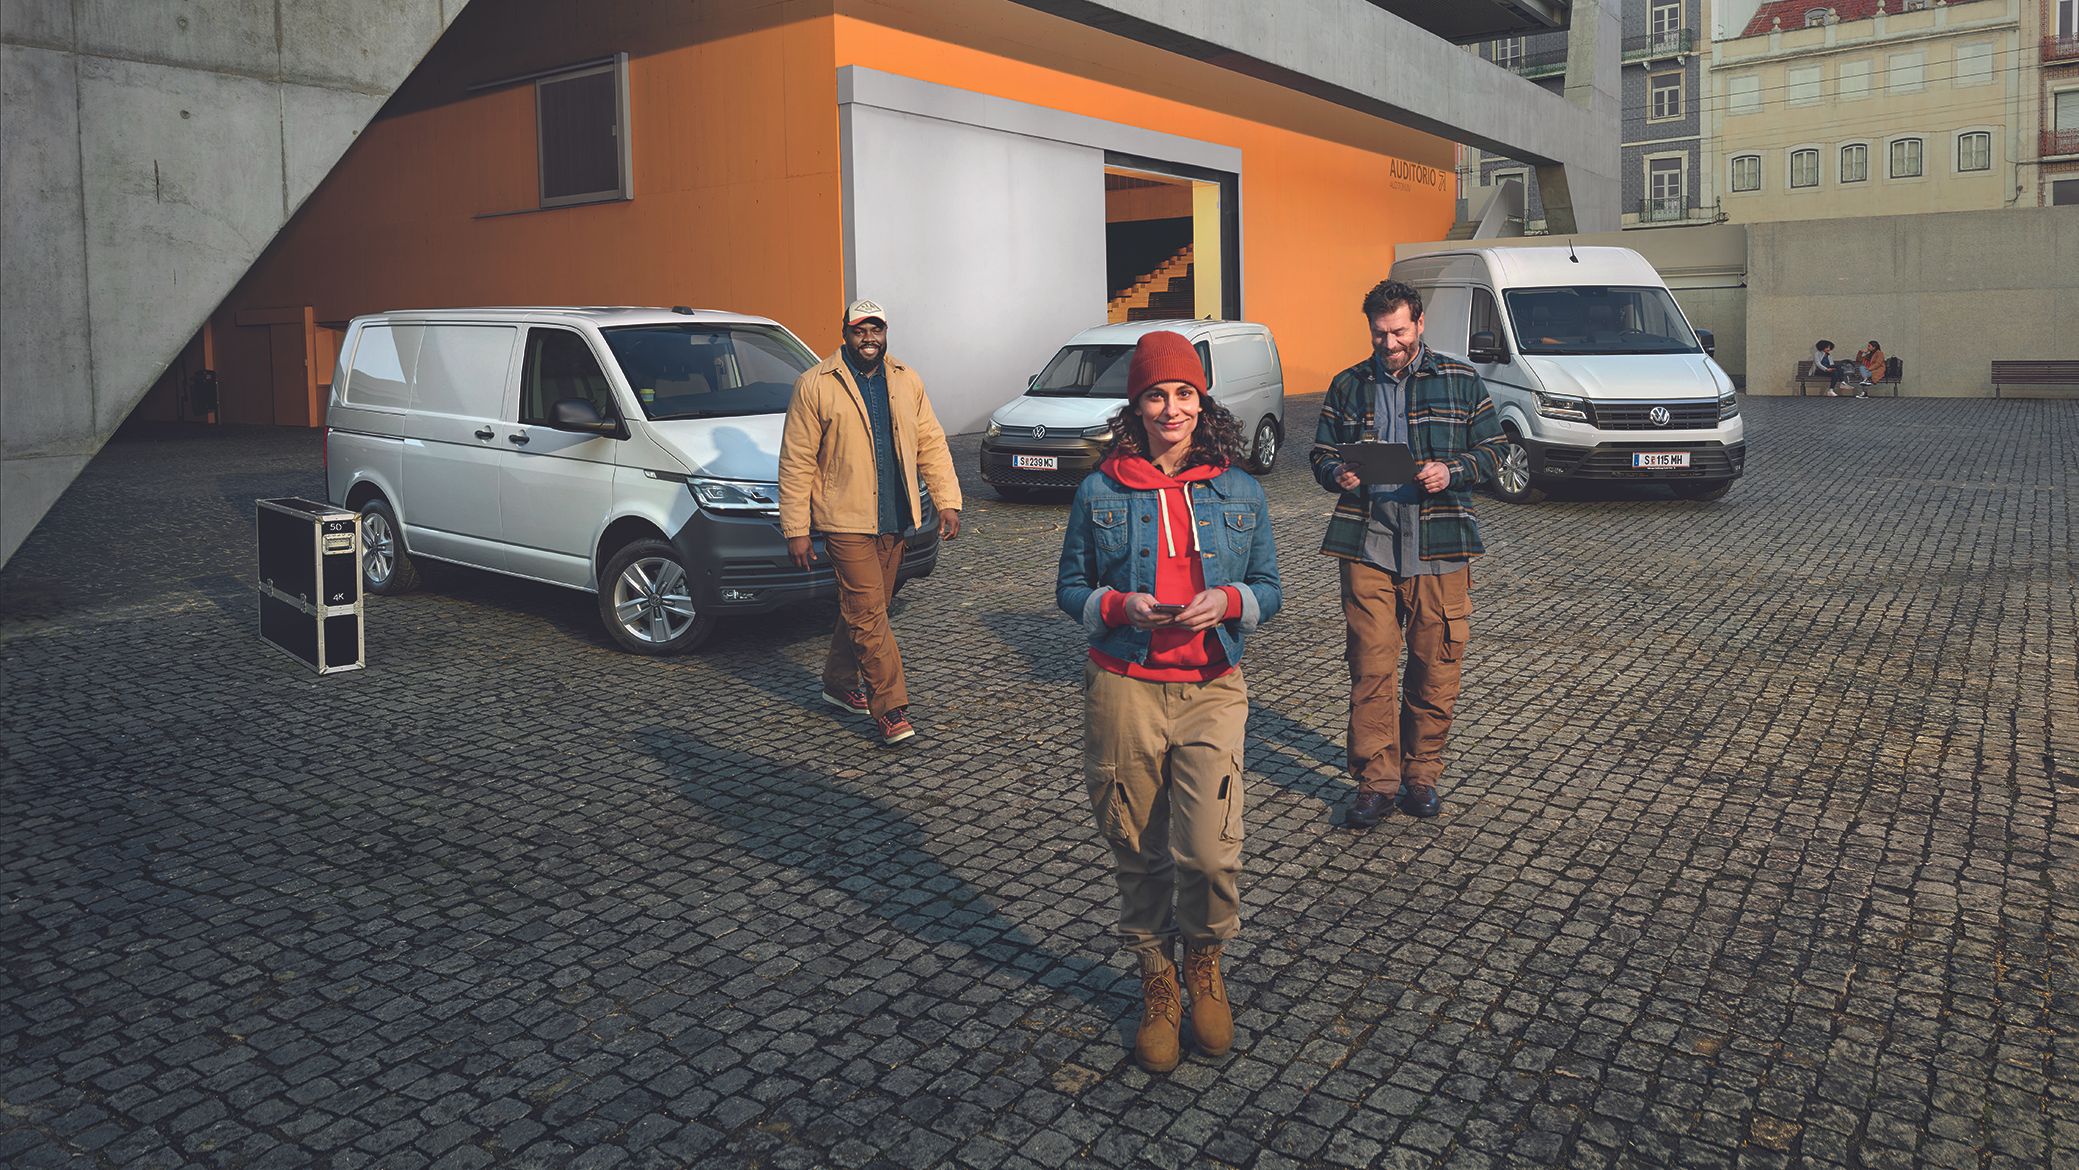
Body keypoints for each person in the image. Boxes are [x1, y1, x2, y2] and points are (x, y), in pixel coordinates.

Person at [1056, 330, 1282, 1074]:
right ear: (1137, 406)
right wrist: (1119, 606)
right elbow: (1070, 589)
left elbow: (1272, 591)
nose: (1171, 407)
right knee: (1135, 846)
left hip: (1212, 686)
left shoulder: (1240, 487)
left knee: (1212, 849)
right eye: (1156, 394)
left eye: (1184, 393)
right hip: (1122, 686)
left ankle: (1204, 964)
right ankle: (1157, 977)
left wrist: (1227, 598)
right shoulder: (1101, 489)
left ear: (1200, 402)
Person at [1310, 280, 1507, 829]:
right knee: (1370, 669)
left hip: (1440, 547)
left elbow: (1495, 449)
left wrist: (1455, 471)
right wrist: (1337, 472)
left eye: (1398, 331)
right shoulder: (1348, 384)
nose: (1389, 343)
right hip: (1367, 545)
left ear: (1419, 323)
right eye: (1379, 334)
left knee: (1434, 670)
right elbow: (1322, 452)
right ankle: (1376, 782)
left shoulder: (1462, 380)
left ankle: (1421, 778)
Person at [778, 299, 962, 746]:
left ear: (885, 332)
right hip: (844, 519)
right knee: (869, 613)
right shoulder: (815, 384)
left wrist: (947, 500)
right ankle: (891, 708)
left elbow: (931, 442)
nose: (869, 338)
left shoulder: (906, 379)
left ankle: (839, 684)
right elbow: (797, 460)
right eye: (860, 330)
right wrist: (796, 528)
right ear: (846, 332)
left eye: (876, 329)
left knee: (865, 610)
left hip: (895, 518)